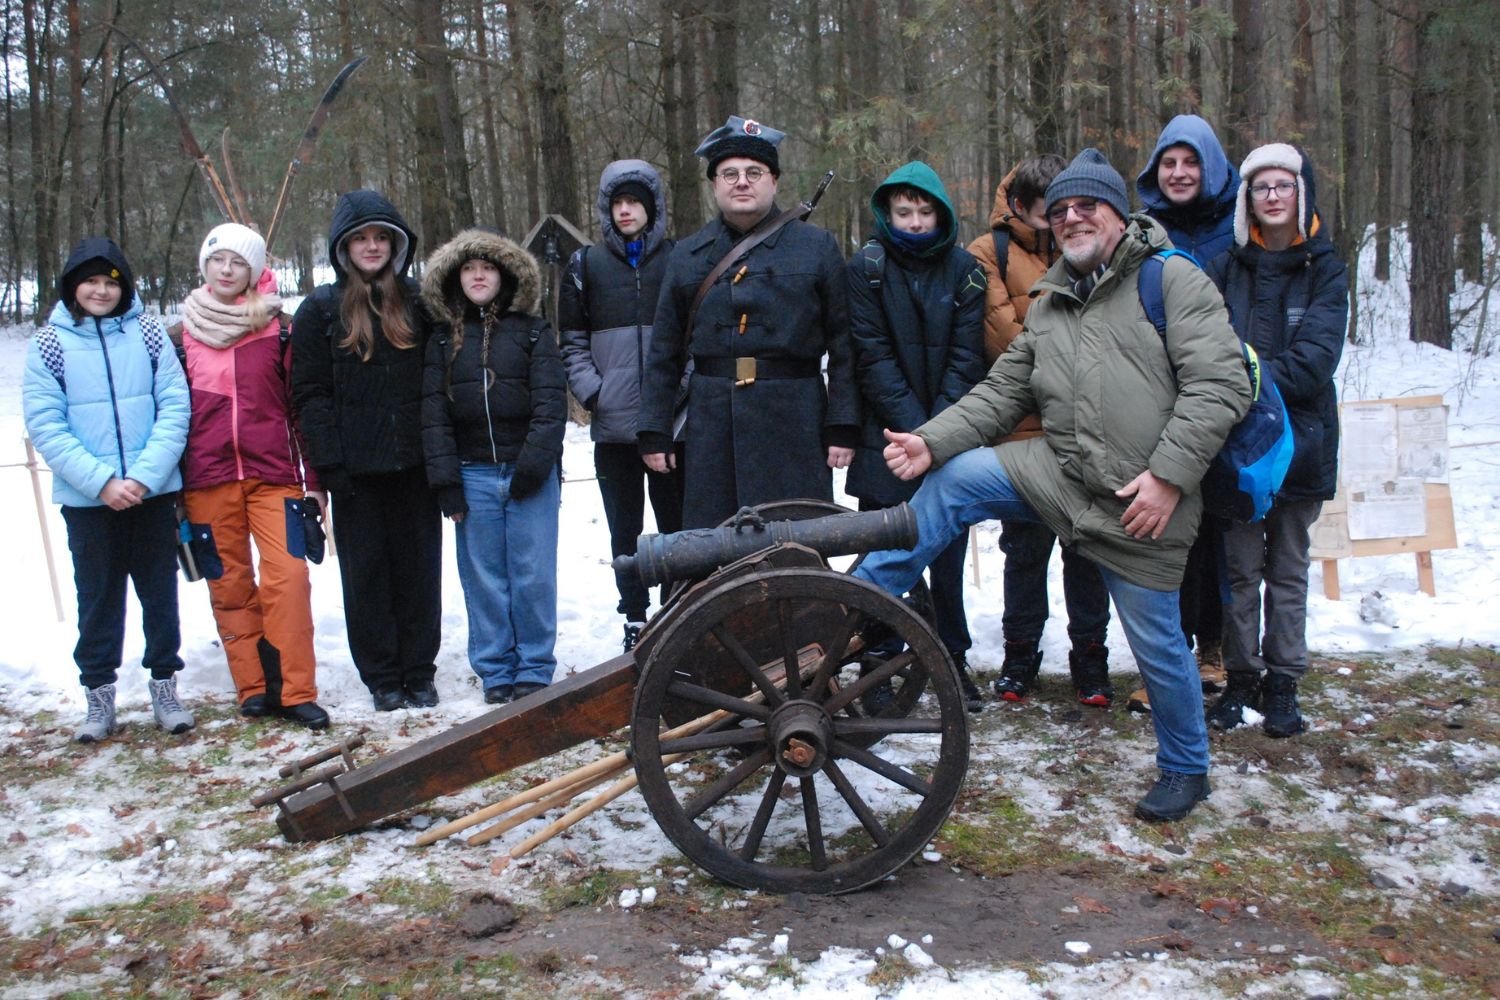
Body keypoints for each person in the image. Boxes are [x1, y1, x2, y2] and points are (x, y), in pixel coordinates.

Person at [855, 149, 1251, 822]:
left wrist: (1167, 479)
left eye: (1087, 206)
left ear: (1118, 215)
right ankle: (862, 597)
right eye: (1061, 210)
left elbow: (1222, 386)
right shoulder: (1053, 297)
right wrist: (933, 440)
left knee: (1157, 644)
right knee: (955, 481)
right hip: (1058, 472)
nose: (1072, 219)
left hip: (1141, 498)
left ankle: (1187, 767)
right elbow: (1003, 392)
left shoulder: (1172, 279)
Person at [638, 116, 858, 528]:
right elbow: (664, 352)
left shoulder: (817, 249)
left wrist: (842, 424)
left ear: (774, 181)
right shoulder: (687, 256)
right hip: (711, 424)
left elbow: (845, 347)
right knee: (713, 552)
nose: (742, 182)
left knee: (799, 544)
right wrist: (654, 428)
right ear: (715, 184)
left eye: (754, 172)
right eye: (730, 173)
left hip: (795, 421)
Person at [23, 237, 193, 742]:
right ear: (73, 286)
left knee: (159, 594)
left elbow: (174, 407)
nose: (101, 290)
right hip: (89, 501)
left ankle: (165, 686)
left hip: (151, 493)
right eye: (90, 281)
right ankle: (99, 696)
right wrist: (101, 483)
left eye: (110, 282)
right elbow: (47, 424)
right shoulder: (49, 344)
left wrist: (142, 477)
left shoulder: (148, 334)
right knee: (97, 598)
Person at [1204, 143, 1347, 738]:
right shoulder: (1228, 265)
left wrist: (1248, 374)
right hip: (1240, 446)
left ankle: (1283, 680)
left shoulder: (1327, 267)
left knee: (1287, 566)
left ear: (1301, 192)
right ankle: (1241, 677)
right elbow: (1207, 342)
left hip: (1303, 441)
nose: (1271, 197)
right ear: (1247, 199)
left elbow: (1315, 359)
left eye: (1281, 186)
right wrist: (1239, 378)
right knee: (1239, 569)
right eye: (1259, 188)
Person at [968, 154, 1114, 707]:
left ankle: (1090, 659)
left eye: (1067, 206)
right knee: (1025, 550)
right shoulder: (989, 252)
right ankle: (1020, 656)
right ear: (1021, 205)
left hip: (1087, 428)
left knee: (1087, 549)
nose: (1059, 217)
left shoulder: (1088, 245)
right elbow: (1004, 336)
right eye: (1045, 207)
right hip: (1022, 429)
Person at [291, 190, 442, 712]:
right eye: (361, 238)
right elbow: (309, 394)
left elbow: (438, 381)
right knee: (367, 576)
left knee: (419, 572)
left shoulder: (420, 301)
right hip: (356, 472)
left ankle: (420, 671)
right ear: (344, 247)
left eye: (381, 237)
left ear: (396, 244)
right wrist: (331, 465)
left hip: (415, 467)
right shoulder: (319, 310)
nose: (372, 247)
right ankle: (382, 676)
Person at [846, 161, 987, 712]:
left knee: (946, 550)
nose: (913, 222)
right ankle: (876, 664)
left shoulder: (967, 271)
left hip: (946, 436)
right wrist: (910, 431)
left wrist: (938, 435)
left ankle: (951, 659)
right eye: (903, 211)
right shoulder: (867, 267)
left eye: (924, 211)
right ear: (888, 212)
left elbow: (966, 355)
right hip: (884, 434)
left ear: (941, 213)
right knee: (881, 551)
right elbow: (870, 351)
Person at [178, 223, 329, 730]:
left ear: (255, 270)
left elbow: (300, 407)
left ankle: (295, 690)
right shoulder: (183, 336)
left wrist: (313, 480)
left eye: (238, 262)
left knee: (288, 579)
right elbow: (169, 414)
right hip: (207, 478)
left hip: (275, 475)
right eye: (218, 260)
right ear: (205, 265)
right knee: (228, 583)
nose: (226, 270)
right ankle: (253, 688)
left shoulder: (279, 329)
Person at [421, 228, 566, 705]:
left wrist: (533, 465)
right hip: (472, 474)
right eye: (468, 268)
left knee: (532, 573)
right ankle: (496, 669)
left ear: (504, 275)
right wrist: (445, 481)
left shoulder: (532, 331)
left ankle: (534, 665)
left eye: (487, 267)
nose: (478, 275)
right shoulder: (443, 340)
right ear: (454, 278)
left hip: (528, 474)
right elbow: (434, 412)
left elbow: (550, 404)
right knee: (484, 577)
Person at [1135, 114, 1244, 701]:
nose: (1179, 174)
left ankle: (1217, 648)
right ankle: (1170, 656)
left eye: (1190, 162)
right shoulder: (1146, 230)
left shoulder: (1238, 226)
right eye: (1168, 163)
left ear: (1212, 166)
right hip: (1162, 398)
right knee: (1172, 530)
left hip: (1223, 393)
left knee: (1220, 533)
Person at [559, 160, 684, 652]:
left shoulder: (678, 259)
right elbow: (571, 341)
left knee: (677, 529)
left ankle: (680, 606)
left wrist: (679, 398)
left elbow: (694, 340)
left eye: (636, 202)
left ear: (652, 209)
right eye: (618, 203)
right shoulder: (585, 266)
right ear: (607, 210)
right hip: (613, 432)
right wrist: (596, 394)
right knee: (624, 532)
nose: (627, 210)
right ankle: (634, 614)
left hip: (672, 426)